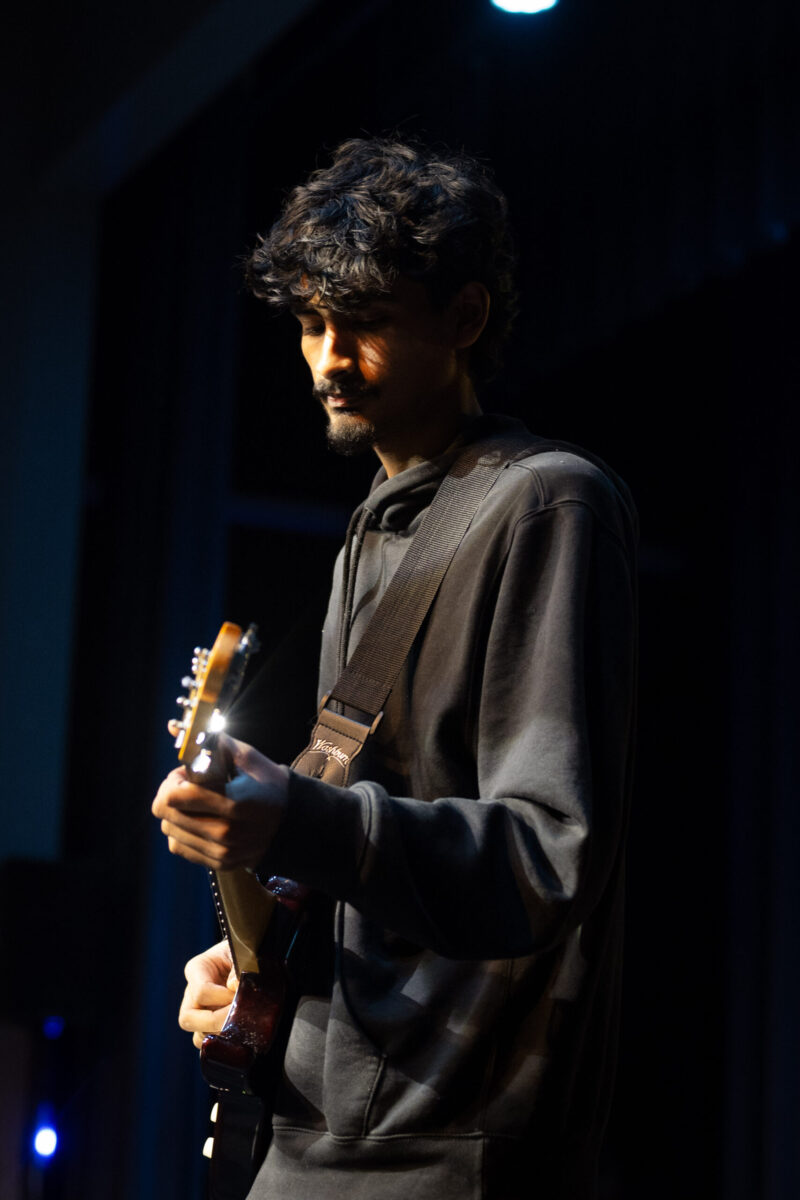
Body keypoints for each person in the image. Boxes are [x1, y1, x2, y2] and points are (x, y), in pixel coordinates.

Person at [152, 137, 638, 1200]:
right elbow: (372, 851)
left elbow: (547, 855)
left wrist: (297, 820)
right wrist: (263, 967)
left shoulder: (543, 503)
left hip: (441, 1151)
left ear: (462, 320)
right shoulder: (370, 540)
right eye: (311, 324)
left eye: (363, 322)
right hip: (308, 1131)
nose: (329, 357)